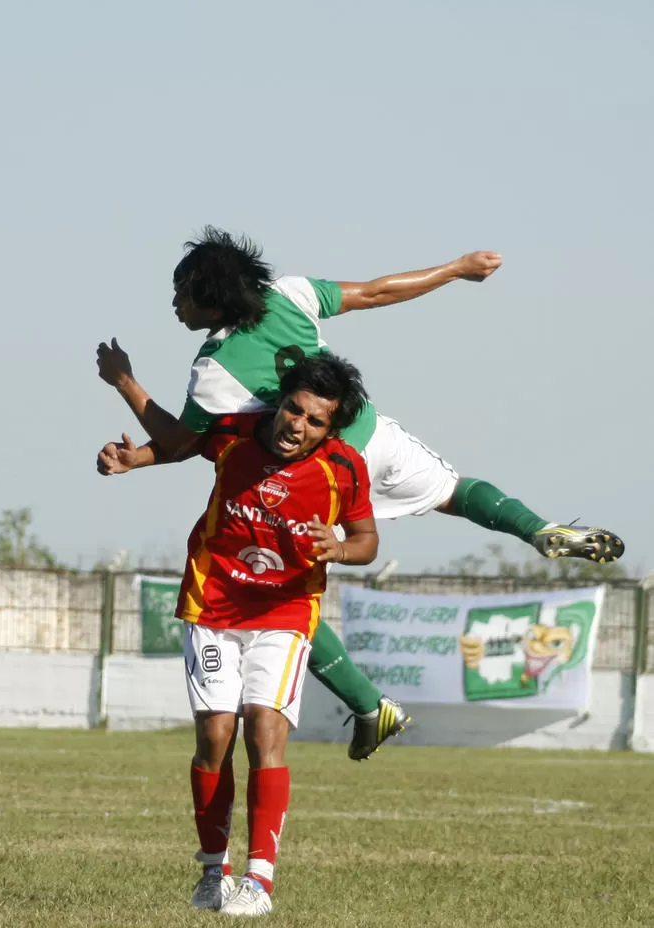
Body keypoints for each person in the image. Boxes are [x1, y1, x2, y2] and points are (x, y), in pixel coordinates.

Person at [95, 227, 624, 760]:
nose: (174, 302)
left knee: (280, 597)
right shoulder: (291, 293)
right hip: (371, 436)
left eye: (182, 291)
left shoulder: (213, 370)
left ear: (211, 297)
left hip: (313, 475)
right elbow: (376, 291)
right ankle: (537, 529)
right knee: (456, 492)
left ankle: (370, 705)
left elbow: (183, 440)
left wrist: (125, 383)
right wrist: (456, 268)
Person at [173, 353, 378, 915]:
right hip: (213, 601)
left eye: (315, 421)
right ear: (281, 402)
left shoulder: (344, 468)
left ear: (330, 429)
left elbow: (367, 541)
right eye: (294, 410)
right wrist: (125, 386)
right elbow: (173, 441)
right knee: (216, 735)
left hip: (286, 611)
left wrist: (338, 547)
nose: (299, 425)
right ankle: (215, 871)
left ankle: (259, 882)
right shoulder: (234, 434)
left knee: (264, 727)